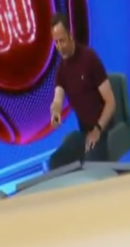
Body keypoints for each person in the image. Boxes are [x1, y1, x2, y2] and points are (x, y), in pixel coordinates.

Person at [47, 13, 116, 170]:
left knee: (90, 164)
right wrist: (55, 111)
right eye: (56, 42)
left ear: (70, 35)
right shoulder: (61, 71)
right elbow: (58, 98)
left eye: (62, 40)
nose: (59, 47)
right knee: (55, 162)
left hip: (103, 129)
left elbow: (111, 102)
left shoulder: (89, 59)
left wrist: (98, 130)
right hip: (84, 133)